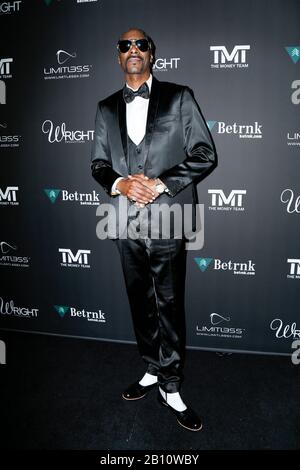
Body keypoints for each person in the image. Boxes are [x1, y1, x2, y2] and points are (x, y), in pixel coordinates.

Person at [91, 28, 217, 432]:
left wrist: (161, 183)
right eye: (125, 45)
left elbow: (204, 153)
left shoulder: (179, 96)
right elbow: (98, 164)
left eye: (140, 44)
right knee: (139, 300)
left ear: (152, 54)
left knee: (169, 302)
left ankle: (172, 383)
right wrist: (121, 183)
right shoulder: (105, 107)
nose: (133, 49)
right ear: (117, 56)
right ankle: (151, 366)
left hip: (170, 217)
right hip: (123, 220)